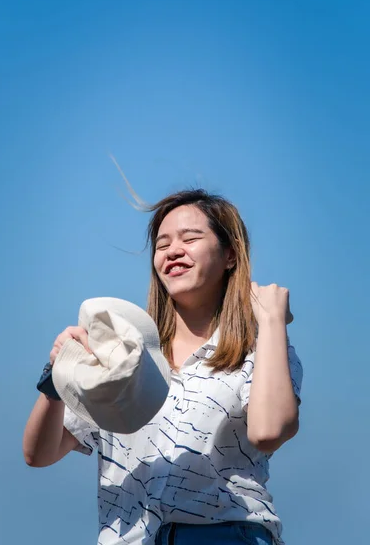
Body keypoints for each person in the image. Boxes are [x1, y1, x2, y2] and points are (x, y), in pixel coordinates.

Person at [23, 188, 303, 545]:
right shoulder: (121, 352)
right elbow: (39, 453)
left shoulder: (259, 349)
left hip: (226, 535)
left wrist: (273, 320)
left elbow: (269, 432)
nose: (172, 251)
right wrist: (57, 376)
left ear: (231, 254)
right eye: (162, 243)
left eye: (191, 238)